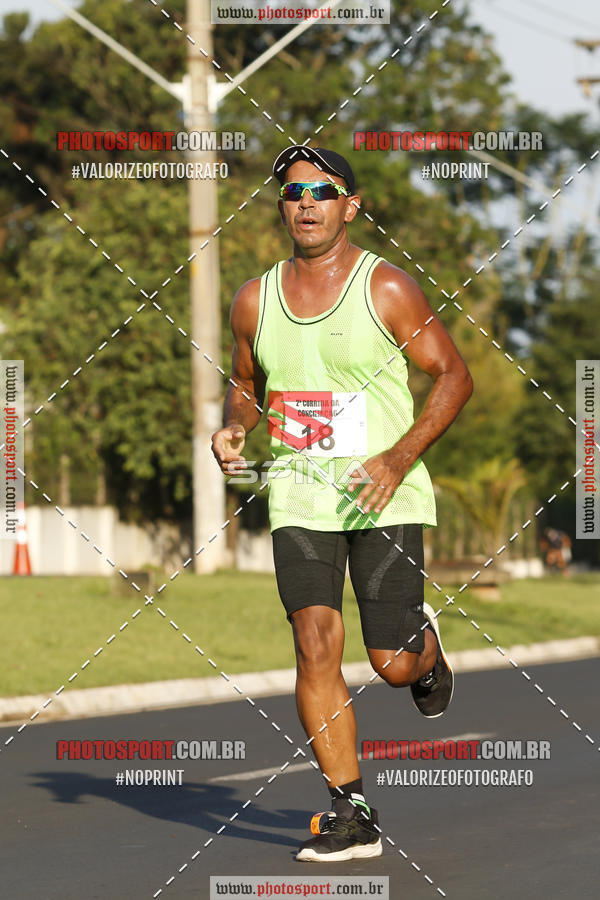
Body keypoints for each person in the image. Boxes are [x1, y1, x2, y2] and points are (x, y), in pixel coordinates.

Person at [211, 145, 473, 862]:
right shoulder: (253, 299)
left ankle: (426, 655)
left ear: (349, 205)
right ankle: (350, 810)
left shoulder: (386, 289)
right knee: (314, 642)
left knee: (389, 663)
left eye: (322, 190)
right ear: (282, 207)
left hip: (382, 494)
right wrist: (237, 423)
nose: (306, 202)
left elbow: (453, 376)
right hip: (300, 496)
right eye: (293, 192)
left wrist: (397, 457)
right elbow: (246, 383)